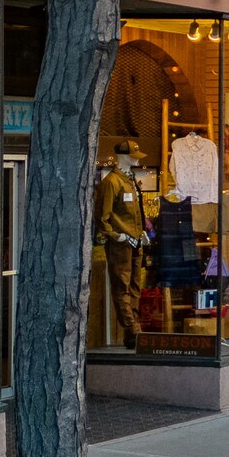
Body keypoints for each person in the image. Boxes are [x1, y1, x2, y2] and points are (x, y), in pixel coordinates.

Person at [96, 140, 149, 348]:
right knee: (122, 286)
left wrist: (142, 231)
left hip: (136, 240)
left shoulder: (131, 180)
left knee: (135, 286)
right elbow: (102, 216)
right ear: (123, 156)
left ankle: (131, 333)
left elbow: (136, 212)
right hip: (121, 243)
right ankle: (134, 329)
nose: (136, 158)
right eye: (133, 155)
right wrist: (113, 234)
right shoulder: (111, 182)